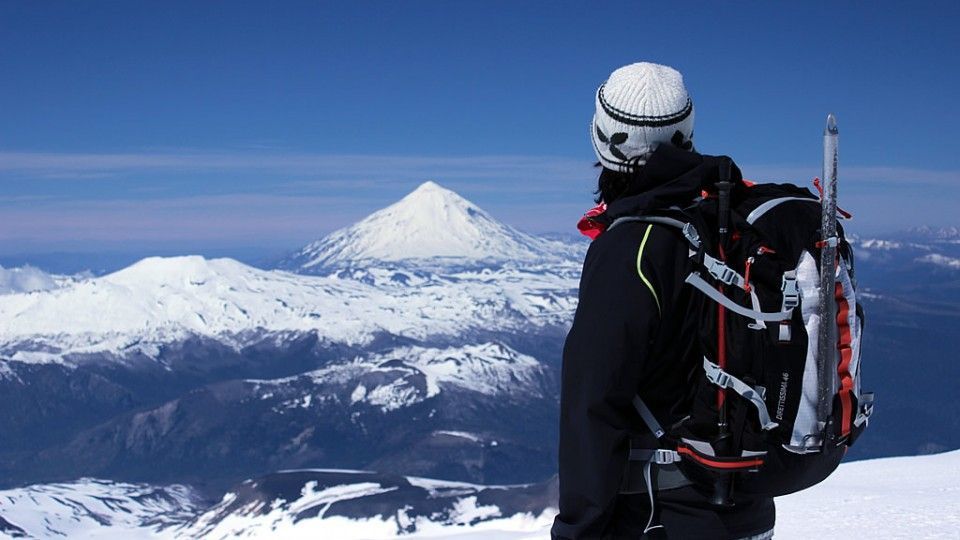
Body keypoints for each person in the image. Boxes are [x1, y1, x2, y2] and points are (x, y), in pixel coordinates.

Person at [551, 62, 776, 539]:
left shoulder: (630, 247)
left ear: (605, 140)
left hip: (662, 516)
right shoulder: (730, 225)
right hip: (746, 510)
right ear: (687, 135)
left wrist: (578, 530)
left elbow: (593, 406)